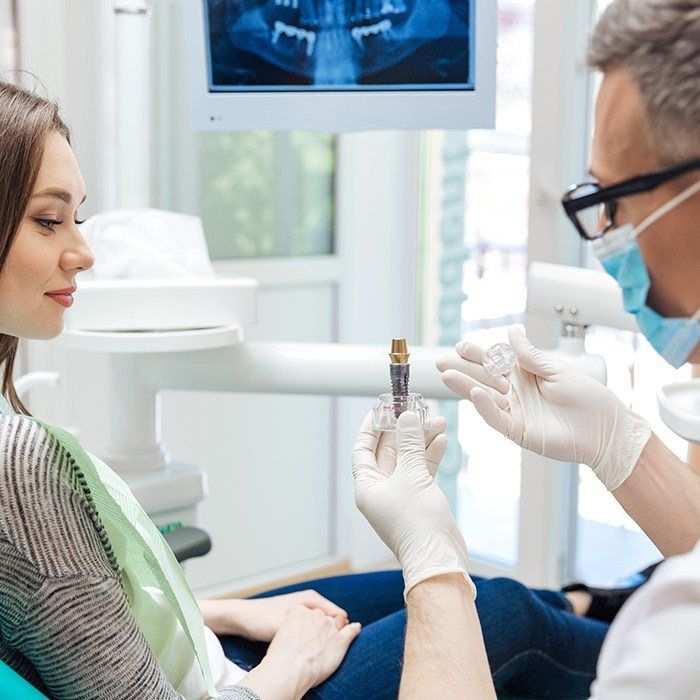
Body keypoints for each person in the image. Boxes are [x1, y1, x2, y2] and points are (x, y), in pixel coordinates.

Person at [0, 77, 650, 700]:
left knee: (471, 588)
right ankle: (665, 647)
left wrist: (229, 613)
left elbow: (87, 615)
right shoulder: (20, 465)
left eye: (77, 218)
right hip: (243, 689)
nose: (84, 251)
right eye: (49, 221)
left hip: (198, 653)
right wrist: (287, 666)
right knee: (502, 614)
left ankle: (617, 603)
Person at [354, 0, 700, 697]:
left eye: (615, 199)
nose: (605, 236)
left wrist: (433, 566)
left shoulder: (672, 646)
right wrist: (617, 442)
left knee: (509, 612)